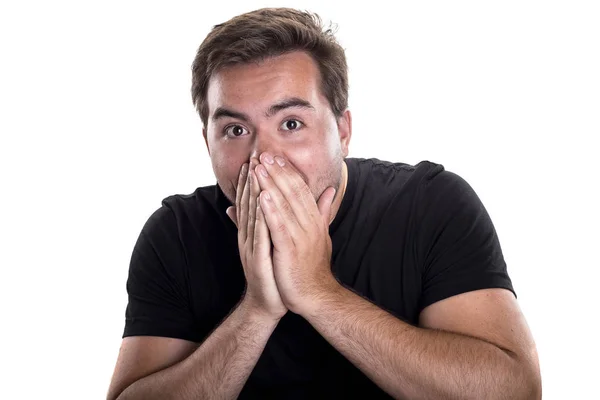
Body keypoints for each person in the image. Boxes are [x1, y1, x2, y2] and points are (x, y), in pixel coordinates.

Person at [107, 7, 541, 400]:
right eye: (235, 131)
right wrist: (258, 310)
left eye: (291, 123)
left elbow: (515, 392)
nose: (263, 158)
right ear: (208, 143)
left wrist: (319, 293)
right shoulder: (175, 234)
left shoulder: (431, 203)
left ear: (343, 130)